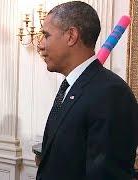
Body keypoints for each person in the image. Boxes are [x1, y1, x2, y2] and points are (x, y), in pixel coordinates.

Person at [36, 1, 138, 180]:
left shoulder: (111, 94)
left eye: (46, 35)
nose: (40, 45)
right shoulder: (70, 86)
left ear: (71, 36)